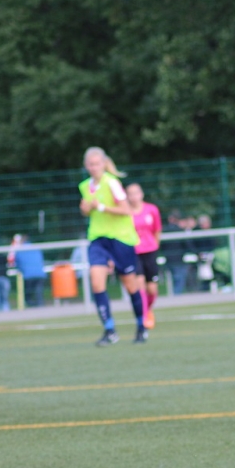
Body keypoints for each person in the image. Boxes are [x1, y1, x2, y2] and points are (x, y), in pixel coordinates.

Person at [78, 147, 147, 346]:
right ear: (86, 166)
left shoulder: (112, 183)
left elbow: (125, 210)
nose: (93, 167)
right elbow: (88, 211)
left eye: (97, 164)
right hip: (98, 239)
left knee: (130, 285)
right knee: (96, 283)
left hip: (120, 238)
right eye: (90, 164)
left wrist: (100, 207)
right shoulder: (84, 186)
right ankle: (110, 330)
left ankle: (141, 326)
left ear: (103, 163)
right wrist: (85, 209)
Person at [126, 183, 162, 329]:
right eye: (130, 194)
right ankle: (144, 316)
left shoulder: (151, 210)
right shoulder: (125, 212)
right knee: (139, 284)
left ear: (141, 194)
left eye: (136, 193)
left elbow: (157, 230)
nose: (133, 196)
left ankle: (148, 309)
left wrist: (155, 246)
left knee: (152, 289)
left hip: (150, 251)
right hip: (133, 252)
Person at [10, 234, 47, 308]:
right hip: (40, 274)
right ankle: (40, 307)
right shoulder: (36, 248)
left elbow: (17, 263)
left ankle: (31, 306)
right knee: (39, 294)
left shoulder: (19, 251)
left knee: (28, 296)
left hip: (28, 275)